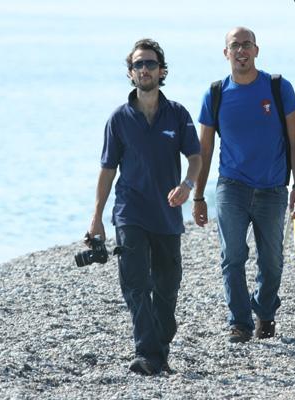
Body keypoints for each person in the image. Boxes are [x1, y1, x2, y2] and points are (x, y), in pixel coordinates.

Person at [86, 38, 201, 374]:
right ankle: (147, 354)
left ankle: (159, 345)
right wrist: (96, 217)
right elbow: (107, 170)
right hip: (130, 213)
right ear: (130, 73)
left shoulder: (177, 114)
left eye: (150, 63)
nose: (145, 69)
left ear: (162, 71)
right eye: (138, 64)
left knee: (167, 287)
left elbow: (195, 157)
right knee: (136, 285)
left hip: (167, 214)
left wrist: (187, 186)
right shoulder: (118, 119)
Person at [193, 27, 295, 343]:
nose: (241, 51)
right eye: (235, 46)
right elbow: (204, 149)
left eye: (247, 45)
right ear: (226, 53)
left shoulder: (278, 87)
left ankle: (265, 313)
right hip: (232, 186)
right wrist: (198, 196)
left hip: (273, 188)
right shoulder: (215, 94)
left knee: (272, 261)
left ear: (256, 50)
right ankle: (240, 323)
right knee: (232, 256)